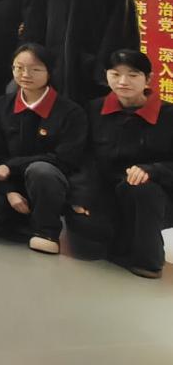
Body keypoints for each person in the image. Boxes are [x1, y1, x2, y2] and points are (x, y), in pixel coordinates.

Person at [0, 43, 86, 255]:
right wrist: (10, 191)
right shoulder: (1, 105)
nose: (25, 74)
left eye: (35, 69)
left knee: (41, 170)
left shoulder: (71, 112)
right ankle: (22, 216)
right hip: (7, 181)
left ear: (49, 72)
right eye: (19, 68)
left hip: (48, 181)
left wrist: (12, 166)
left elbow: (65, 158)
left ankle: (46, 231)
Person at [69, 50, 173, 278]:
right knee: (89, 246)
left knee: (141, 189)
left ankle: (149, 260)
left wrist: (152, 171)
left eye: (133, 75)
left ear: (148, 79)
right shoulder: (93, 109)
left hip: (154, 196)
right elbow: (84, 158)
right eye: (115, 74)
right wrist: (82, 196)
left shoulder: (168, 115)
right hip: (105, 193)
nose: (123, 81)